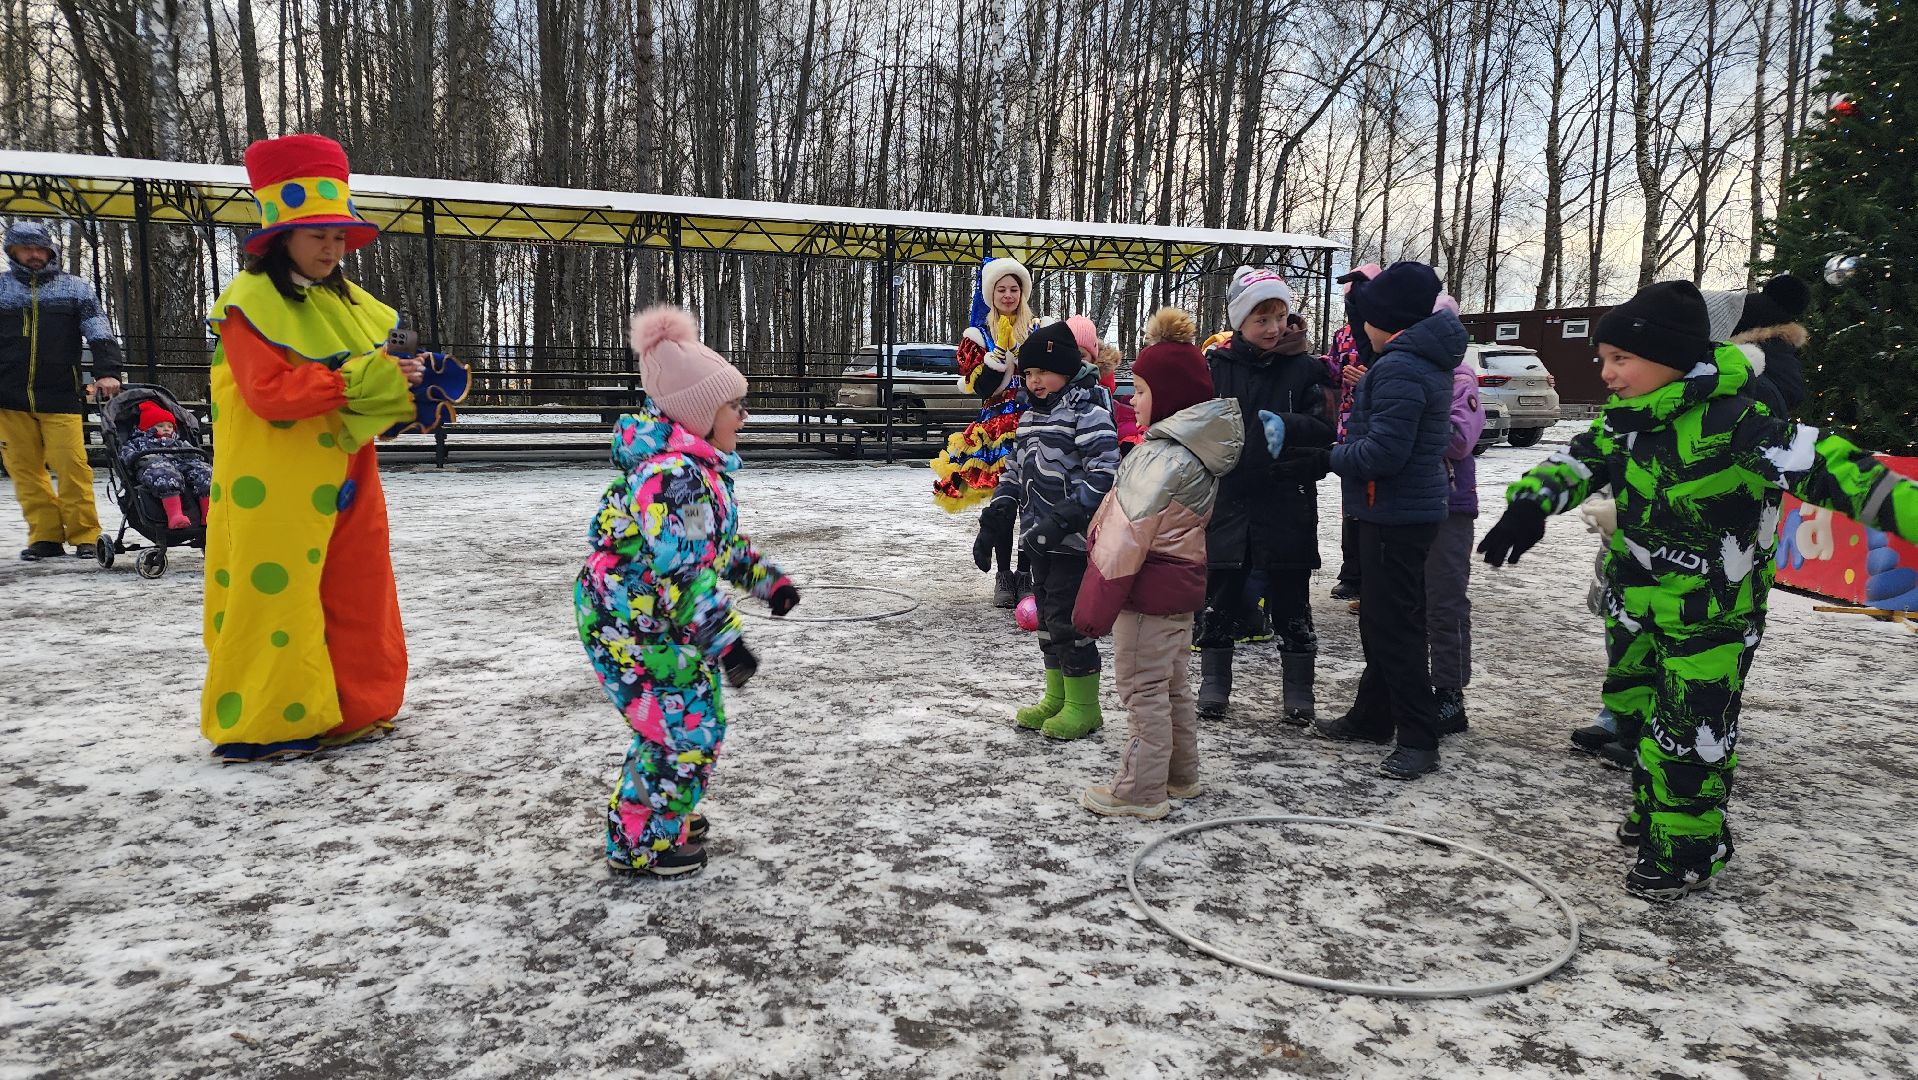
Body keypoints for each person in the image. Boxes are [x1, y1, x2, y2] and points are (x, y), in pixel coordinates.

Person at [1478, 280, 1918, 901]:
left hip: (1713, 611)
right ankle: (1656, 814)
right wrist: (1530, 504)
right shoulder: (1629, 420)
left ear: (1671, 359)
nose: (1605, 373)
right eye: (1602, 358)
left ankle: (1691, 846)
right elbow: (1584, 459)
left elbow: (1843, 473)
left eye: (1620, 359)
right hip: (1639, 600)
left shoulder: (1739, 423)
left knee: (1690, 732)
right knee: (1644, 717)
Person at [200, 134, 425, 764]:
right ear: (280, 237)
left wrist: (409, 393)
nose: (331, 248)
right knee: (277, 593)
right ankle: (268, 720)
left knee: (356, 585)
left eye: (338, 236)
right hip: (274, 480)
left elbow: (363, 391)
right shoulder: (248, 306)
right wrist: (360, 380)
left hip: (349, 472)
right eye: (317, 235)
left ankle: (354, 705)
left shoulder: (345, 302)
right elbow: (269, 393)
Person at [578, 305, 799, 879]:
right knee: (683, 727)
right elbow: (682, 573)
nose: (745, 417)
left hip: (657, 619)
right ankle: (644, 839)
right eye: (735, 406)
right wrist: (728, 644)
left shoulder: (694, 471)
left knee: (683, 719)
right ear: (699, 413)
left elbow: (711, 546)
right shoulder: (673, 477)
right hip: (632, 622)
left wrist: (764, 580)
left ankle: (661, 811)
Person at [1074, 307, 1243, 818]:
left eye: (1142, 390)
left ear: (1169, 397)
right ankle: (1179, 775)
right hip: (1180, 586)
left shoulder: (1160, 457)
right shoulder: (1192, 452)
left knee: (1141, 689)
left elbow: (1125, 538)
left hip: (1146, 591)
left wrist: (1091, 609)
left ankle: (1139, 791)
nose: (1132, 399)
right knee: (1171, 687)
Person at [1312, 261, 1458, 780]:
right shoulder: (1418, 360)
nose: (1358, 328)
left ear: (1384, 319)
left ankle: (1417, 736)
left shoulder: (1400, 366)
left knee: (1393, 626)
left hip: (1393, 511)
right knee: (1386, 617)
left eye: (1363, 318)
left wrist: (1326, 455)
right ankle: (1372, 716)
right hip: (1399, 510)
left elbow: (1383, 454)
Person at [1195, 266, 1338, 726]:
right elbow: (1199, 427)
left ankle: (1299, 692)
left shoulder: (1306, 369)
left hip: (1285, 499)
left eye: (1279, 315)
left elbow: (1325, 430)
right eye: (1261, 319)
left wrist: (1286, 428)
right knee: (1219, 598)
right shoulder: (1216, 367)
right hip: (1229, 500)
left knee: (1292, 601)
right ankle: (1214, 683)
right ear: (1240, 321)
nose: (1273, 327)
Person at [978, 320, 1120, 740]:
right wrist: (999, 512)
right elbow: (1016, 470)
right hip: (1038, 538)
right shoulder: (1029, 415)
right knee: (1046, 619)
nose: (1035, 380)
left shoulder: (1087, 409)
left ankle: (1084, 706)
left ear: (1067, 368)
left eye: (1043, 371)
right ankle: (1057, 697)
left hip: (1073, 540)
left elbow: (1106, 470)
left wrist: (1067, 517)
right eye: (1029, 373)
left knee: (1068, 621)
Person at [1, 219, 124, 561]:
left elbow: (98, 328)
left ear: (51, 251)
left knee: (72, 465)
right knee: (24, 469)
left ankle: (86, 533)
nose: (35, 254)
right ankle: (46, 536)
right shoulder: (1, 289)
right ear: (13, 252)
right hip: (8, 397)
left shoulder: (74, 289)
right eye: (27, 248)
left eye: (40, 248)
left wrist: (108, 372)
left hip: (60, 393)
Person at [933, 257, 1037, 607]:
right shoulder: (977, 336)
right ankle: (1004, 577)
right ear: (991, 294)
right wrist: (999, 358)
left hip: (1034, 426)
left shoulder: (1037, 329)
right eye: (1001, 289)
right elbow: (979, 388)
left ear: (1023, 292)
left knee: (1032, 505)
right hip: (997, 430)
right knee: (1004, 505)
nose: (1008, 295)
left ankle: (1027, 575)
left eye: (1014, 289)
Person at [1427, 293, 1486, 735]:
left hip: (1450, 505)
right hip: (1411, 501)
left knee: (1446, 601)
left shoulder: (1460, 379)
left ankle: (1450, 692)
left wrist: (1412, 416)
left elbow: (1459, 441)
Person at [1327, 262, 1383, 604]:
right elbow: (1333, 371)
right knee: (1352, 504)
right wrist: (1337, 373)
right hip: (1349, 428)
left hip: (1381, 427)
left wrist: (1369, 381)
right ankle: (1352, 574)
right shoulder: (1343, 335)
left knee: (1377, 502)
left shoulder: (1389, 332)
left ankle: (1373, 577)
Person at [121, 400, 212, 530]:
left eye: (170, 426)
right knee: (165, 474)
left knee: (205, 472)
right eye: (160, 425)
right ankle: (175, 515)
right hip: (154, 467)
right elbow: (126, 454)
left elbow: (193, 454)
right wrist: (135, 459)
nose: (166, 429)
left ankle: (208, 515)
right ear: (147, 427)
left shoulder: (178, 442)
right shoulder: (139, 442)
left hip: (181, 465)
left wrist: (193, 454)